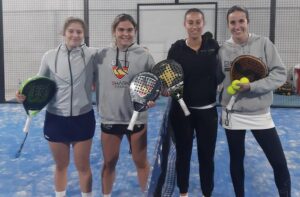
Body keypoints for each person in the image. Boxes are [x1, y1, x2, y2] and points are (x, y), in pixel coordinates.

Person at [16, 17, 97, 197]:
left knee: (83, 166)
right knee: (61, 166)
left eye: (79, 32)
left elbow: (109, 72)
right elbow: (39, 84)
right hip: (55, 119)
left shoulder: (93, 54)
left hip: (83, 118)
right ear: (63, 33)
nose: (75, 35)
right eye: (71, 31)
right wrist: (24, 97)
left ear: (84, 35)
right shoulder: (49, 56)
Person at [218, 5, 291, 197]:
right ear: (228, 25)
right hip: (232, 113)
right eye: (232, 22)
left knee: (278, 161)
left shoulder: (264, 43)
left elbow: (280, 74)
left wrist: (252, 86)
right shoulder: (222, 50)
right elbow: (214, 79)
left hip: (260, 114)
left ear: (247, 22)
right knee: (236, 160)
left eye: (241, 21)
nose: (237, 26)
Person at [95, 14, 155, 197]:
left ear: (135, 31)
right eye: (121, 29)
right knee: (109, 162)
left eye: (129, 30)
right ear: (114, 31)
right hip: (111, 117)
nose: (125, 34)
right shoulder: (101, 55)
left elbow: (155, 84)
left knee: (141, 161)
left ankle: (146, 193)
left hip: (137, 117)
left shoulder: (145, 55)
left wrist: (153, 97)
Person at [166, 8, 224, 197]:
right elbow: (168, 77)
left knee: (206, 157)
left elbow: (221, 73)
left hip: (207, 112)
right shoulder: (176, 49)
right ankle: (184, 192)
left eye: (198, 22)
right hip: (181, 112)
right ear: (185, 25)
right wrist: (167, 89)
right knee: (183, 155)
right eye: (190, 22)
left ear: (203, 24)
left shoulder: (213, 46)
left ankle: (207, 193)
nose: (194, 26)